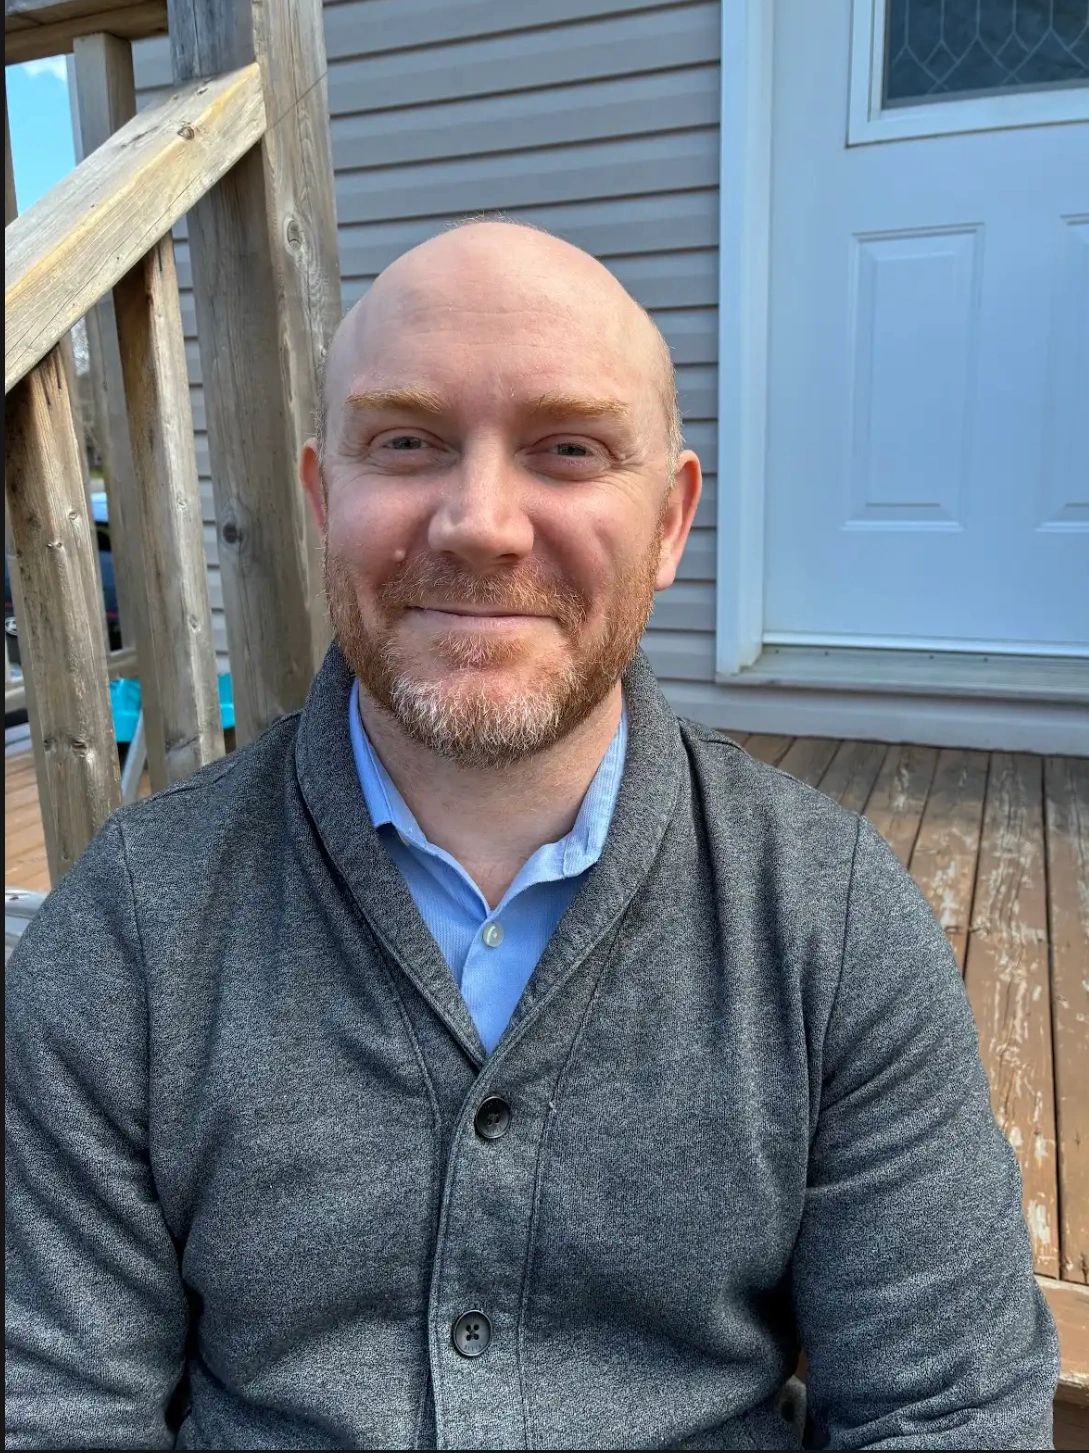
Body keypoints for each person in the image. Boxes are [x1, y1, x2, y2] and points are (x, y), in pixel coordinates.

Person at [5, 219, 1058, 1451]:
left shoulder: (833, 925)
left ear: (670, 523)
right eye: (408, 442)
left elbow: (948, 1408)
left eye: (568, 449)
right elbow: (52, 1406)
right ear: (323, 497)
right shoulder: (133, 928)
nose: (482, 524)